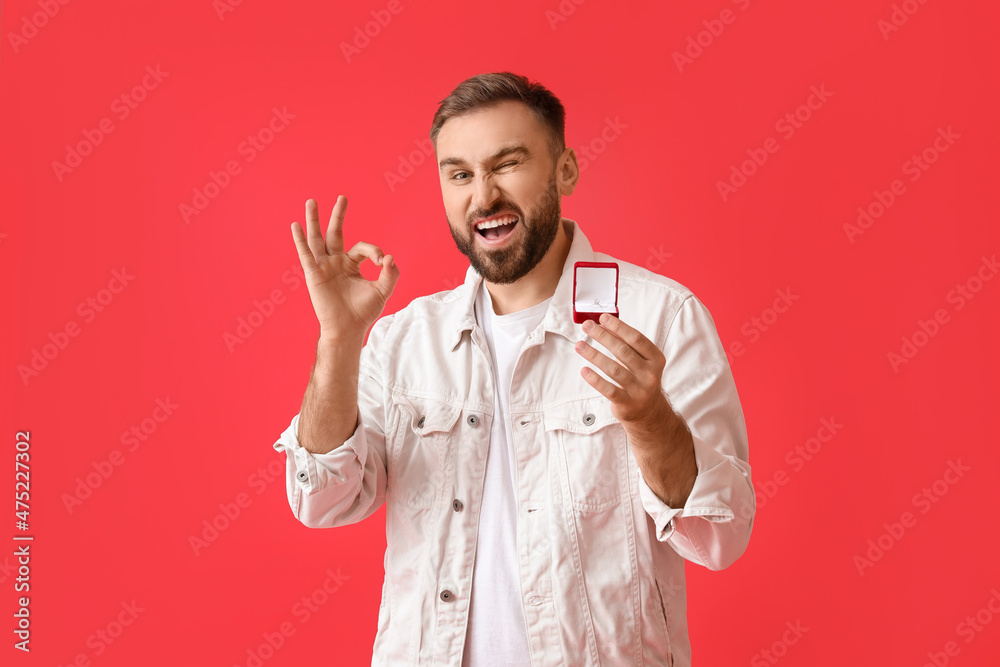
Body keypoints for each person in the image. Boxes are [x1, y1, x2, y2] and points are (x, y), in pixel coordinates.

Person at [272, 72, 755, 667]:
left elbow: (720, 535)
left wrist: (649, 419)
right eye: (460, 174)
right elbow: (322, 501)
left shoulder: (659, 316)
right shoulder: (406, 340)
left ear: (566, 171)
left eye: (507, 164)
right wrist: (338, 344)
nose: (483, 197)